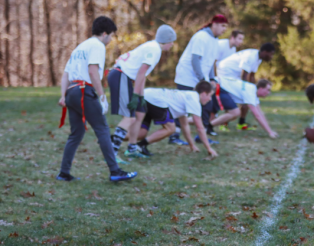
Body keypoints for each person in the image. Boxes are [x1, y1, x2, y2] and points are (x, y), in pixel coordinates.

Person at [57, 16, 137, 182]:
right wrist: (102, 96)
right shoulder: (97, 46)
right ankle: (115, 170)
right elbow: (93, 71)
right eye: (112, 36)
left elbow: (66, 74)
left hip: (72, 91)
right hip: (83, 91)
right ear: (105, 33)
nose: (111, 40)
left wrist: (63, 95)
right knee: (102, 129)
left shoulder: (80, 47)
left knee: (76, 133)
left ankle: (64, 172)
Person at [107, 24, 177, 160]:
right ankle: (112, 153)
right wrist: (135, 95)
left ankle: (132, 149)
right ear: (166, 40)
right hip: (120, 76)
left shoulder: (153, 47)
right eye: (172, 41)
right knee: (129, 117)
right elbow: (141, 72)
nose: (172, 44)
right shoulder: (154, 49)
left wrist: (141, 96)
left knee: (139, 114)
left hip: (124, 77)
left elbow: (142, 75)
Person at [170, 14, 229, 143]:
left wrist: (212, 78)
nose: (225, 29)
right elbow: (195, 60)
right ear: (214, 24)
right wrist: (202, 79)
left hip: (202, 79)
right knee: (182, 107)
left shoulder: (215, 40)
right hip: (187, 77)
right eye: (223, 26)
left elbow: (210, 61)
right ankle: (174, 136)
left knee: (207, 105)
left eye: (226, 26)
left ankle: (200, 137)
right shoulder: (201, 37)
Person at [133, 81, 218, 158]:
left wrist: (192, 145)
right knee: (170, 129)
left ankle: (121, 138)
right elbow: (200, 127)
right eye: (210, 95)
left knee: (141, 133)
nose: (210, 99)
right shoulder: (194, 99)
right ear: (203, 93)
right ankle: (140, 145)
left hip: (146, 95)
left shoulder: (186, 97)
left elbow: (184, 125)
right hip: (153, 99)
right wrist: (209, 148)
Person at [216, 43, 276, 130]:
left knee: (246, 98)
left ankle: (241, 123)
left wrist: (254, 90)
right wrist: (246, 92)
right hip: (226, 70)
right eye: (271, 54)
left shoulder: (258, 58)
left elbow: (251, 76)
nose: (271, 56)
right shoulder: (251, 57)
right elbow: (244, 75)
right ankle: (224, 124)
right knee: (232, 96)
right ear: (265, 52)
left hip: (235, 73)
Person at [209, 78, 278, 138]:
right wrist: (270, 133)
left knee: (232, 114)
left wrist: (270, 131)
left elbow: (260, 114)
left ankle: (207, 127)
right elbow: (257, 115)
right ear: (261, 88)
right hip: (218, 86)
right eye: (268, 90)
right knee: (235, 112)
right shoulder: (250, 92)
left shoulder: (253, 91)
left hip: (219, 86)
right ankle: (208, 126)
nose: (269, 93)